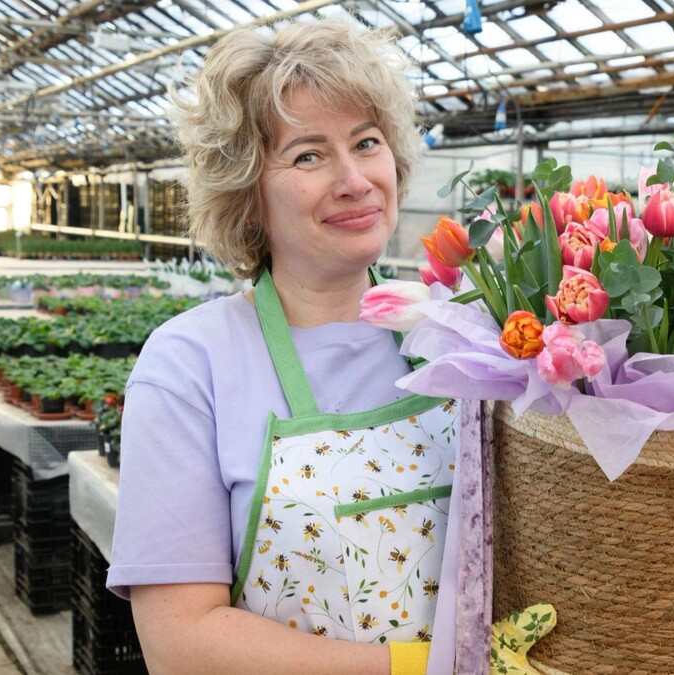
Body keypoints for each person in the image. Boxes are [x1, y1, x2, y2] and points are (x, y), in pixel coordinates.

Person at [107, 19, 458, 675]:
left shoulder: (460, 331)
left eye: (367, 142)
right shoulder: (190, 363)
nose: (355, 179)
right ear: (247, 196)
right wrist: (415, 666)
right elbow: (181, 643)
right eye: (308, 155)